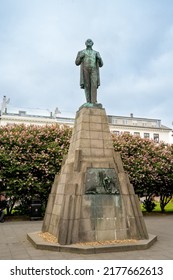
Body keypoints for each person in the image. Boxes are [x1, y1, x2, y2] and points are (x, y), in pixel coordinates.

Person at [75, 39, 103, 104]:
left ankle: (94, 102)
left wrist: (99, 58)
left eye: (90, 41)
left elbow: (101, 64)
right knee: (87, 85)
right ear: (85, 43)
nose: (89, 42)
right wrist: (80, 57)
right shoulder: (81, 52)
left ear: (92, 43)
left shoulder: (96, 53)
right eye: (87, 41)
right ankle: (88, 101)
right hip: (85, 69)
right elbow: (77, 63)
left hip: (94, 69)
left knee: (94, 85)